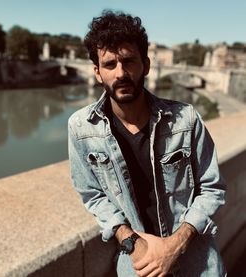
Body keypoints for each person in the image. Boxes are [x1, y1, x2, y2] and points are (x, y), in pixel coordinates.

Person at [68, 10, 226, 277]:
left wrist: (174, 245)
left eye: (129, 61)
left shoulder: (186, 119)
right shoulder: (81, 128)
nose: (120, 73)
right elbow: (93, 196)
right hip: (136, 265)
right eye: (109, 64)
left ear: (147, 65)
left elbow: (212, 188)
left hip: (198, 265)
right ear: (96, 72)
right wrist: (131, 242)